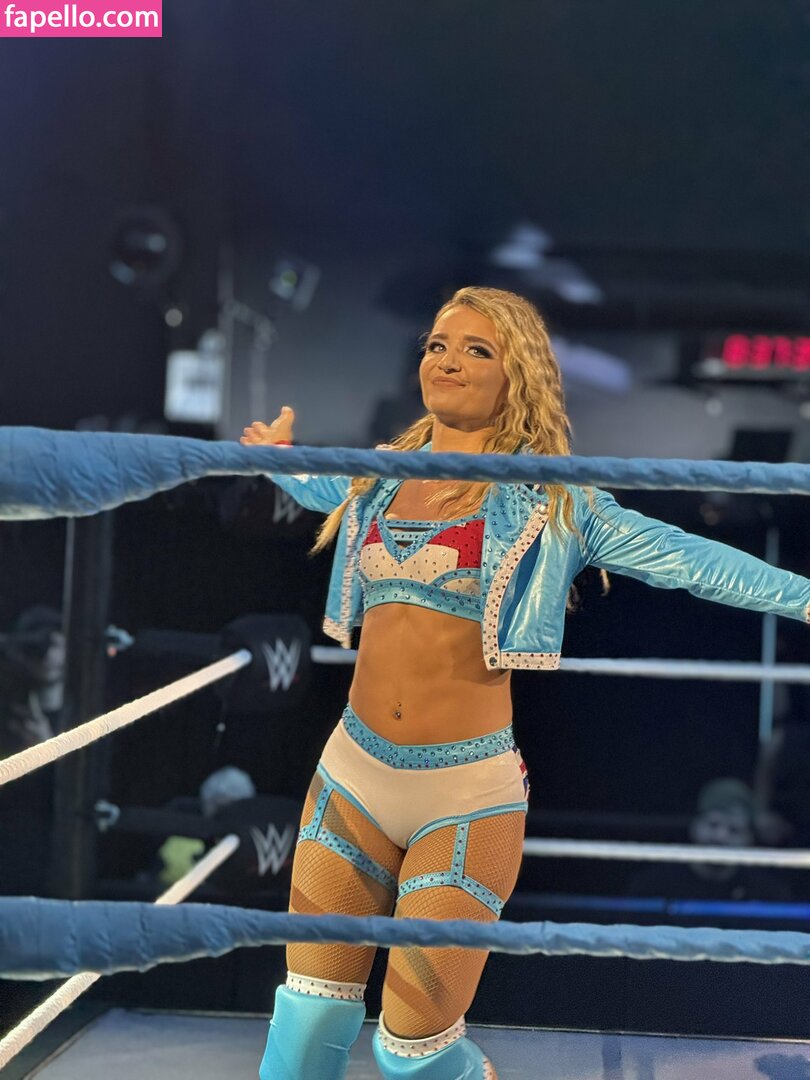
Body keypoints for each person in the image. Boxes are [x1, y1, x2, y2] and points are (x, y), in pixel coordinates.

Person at [241, 286, 810, 1080]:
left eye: (476, 350)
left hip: (463, 798)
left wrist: (806, 597)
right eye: (438, 345)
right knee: (303, 1027)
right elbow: (322, 485)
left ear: (519, 375)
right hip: (351, 774)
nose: (447, 361)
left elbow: (691, 561)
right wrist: (282, 457)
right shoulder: (380, 475)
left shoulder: (554, 502)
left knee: (410, 1054)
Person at [625, 778, 793, 902]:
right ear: (695, 827)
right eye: (713, 825)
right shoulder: (652, 885)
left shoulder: (769, 895)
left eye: (734, 830)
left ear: (748, 840)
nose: (721, 837)